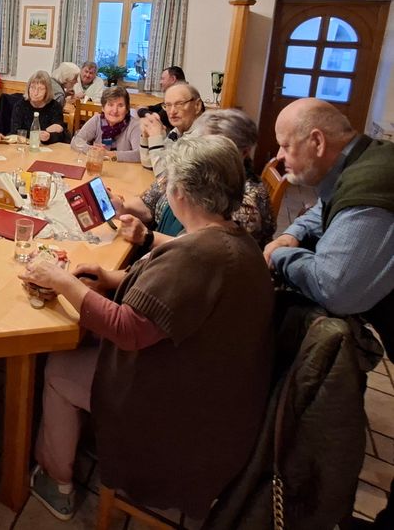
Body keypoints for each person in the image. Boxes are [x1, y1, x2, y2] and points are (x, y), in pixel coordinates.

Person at [22, 135, 274, 520]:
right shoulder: (231, 240)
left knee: (58, 367)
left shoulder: (199, 254)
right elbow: (172, 299)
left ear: (180, 192)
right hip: (216, 386)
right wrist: (110, 277)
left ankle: (56, 480)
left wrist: (60, 281)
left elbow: (128, 330)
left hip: (174, 409)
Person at [262, 98, 394, 530]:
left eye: (285, 146)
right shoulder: (363, 159)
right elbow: (324, 208)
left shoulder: (371, 193)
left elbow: (337, 288)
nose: (278, 157)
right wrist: (293, 234)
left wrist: (282, 258)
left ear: (316, 141)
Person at [114, 108, 275, 251]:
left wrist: (147, 236)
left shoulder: (244, 202)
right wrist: (121, 208)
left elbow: (206, 253)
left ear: (243, 152)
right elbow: (148, 202)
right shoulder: (192, 168)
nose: (198, 151)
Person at [139, 81, 204, 177]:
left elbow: (165, 179)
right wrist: (146, 136)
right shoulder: (177, 132)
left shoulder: (203, 137)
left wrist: (156, 138)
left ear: (197, 106)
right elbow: (150, 165)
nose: (172, 111)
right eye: (168, 105)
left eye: (179, 104)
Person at [71, 86, 141, 162]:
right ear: (103, 108)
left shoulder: (134, 125)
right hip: (98, 167)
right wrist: (92, 150)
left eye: (120, 105)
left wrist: (109, 154)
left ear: (127, 109)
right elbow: (76, 141)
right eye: (110, 105)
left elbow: (140, 154)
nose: (115, 111)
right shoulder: (97, 120)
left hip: (125, 170)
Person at [11, 71, 67, 144]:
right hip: (23, 146)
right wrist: (42, 132)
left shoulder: (55, 106)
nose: (35, 93)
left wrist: (49, 136)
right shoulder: (20, 105)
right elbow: (15, 131)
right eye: (32, 88)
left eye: (41, 89)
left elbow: (60, 135)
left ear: (47, 91)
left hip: (48, 149)